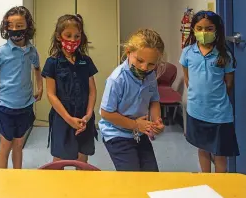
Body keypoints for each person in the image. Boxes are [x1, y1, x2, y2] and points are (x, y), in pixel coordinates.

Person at [0, 6, 43, 169]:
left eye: (19, 26)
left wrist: (40, 86)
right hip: (6, 107)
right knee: (5, 146)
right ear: (6, 28)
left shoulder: (31, 50)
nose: (15, 30)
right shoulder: (1, 52)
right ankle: (2, 181)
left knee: (19, 145)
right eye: (11, 26)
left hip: (25, 105)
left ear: (27, 26)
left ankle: (17, 178)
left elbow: (36, 67)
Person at [180, 10, 239, 173]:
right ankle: (206, 180)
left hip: (219, 113)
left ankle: (220, 183)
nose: (204, 33)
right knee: (203, 147)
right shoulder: (187, 53)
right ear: (193, 30)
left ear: (217, 30)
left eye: (209, 28)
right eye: (199, 28)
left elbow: (229, 83)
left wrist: (215, 98)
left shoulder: (224, 54)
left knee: (220, 152)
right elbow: (187, 80)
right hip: (196, 110)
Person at [99, 29, 165, 172]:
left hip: (139, 132)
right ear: (128, 52)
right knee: (131, 176)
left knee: (152, 174)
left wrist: (156, 120)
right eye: (140, 60)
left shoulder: (151, 75)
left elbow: (154, 100)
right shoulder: (117, 79)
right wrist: (135, 124)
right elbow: (105, 113)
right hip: (117, 133)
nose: (144, 68)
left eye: (151, 64)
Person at [41, 14, 98, 163]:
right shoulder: (52, 62)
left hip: (84, 117)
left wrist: (89, 114)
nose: (73, 40)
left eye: (77, 36)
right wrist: (68, 119)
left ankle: (80, 186)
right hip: (62, 117)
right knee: (60, 158)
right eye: (68, 35)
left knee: (81, 157)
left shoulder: (86, 61)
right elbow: (51, 94)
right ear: (59, 37)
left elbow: (92, 90)